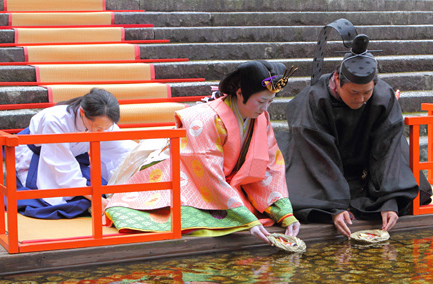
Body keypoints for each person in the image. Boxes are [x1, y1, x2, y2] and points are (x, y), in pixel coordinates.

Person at [105, 60, 300, 244]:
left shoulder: (261, 118)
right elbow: (205, 170)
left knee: (251, 215)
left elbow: (270, 166)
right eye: (261, 101)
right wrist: (247, 218)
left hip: (226, 185)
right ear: (240, 93)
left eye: (270, 102)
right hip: (190, 177)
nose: (265, 108)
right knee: (176, 215)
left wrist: (285, 213)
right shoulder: (206, 118)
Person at [284, 32, 432, 238]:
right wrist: (334, 206)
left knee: (402, 183)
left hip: (364, 169)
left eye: (367, 92)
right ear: (337, 80)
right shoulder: (314, 99)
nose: (361, 99)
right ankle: (332, 201)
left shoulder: (382, 96)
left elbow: (387, 147)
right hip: (322, 167)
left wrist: (388, 200)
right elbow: (315, 155)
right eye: (354, 93)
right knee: (300, 199)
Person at [14, 88, 137, 219]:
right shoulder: (55, 120)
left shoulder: (102, 122)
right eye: (99, 128)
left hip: (71, 158)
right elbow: (62, 165)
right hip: (42, 158)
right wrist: (94, 197)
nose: (103, 132)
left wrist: (149, 158)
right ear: (83, 112)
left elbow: (123, 148)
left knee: (102, 189)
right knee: (62, 201)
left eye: (106, 128)